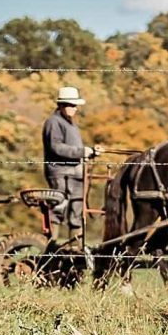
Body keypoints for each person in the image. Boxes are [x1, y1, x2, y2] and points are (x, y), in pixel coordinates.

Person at [41, 86, 96, 241]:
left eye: (75, 105)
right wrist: (81, 152)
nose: (74, 108)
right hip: (60, 173)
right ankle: (50, 249)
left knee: (77, 212)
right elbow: (56, 147)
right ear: (61, 105)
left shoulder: (71, 124)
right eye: (71, 105)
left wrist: (90, 151)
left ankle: (74, 250)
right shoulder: (54, 122)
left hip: (76, 174)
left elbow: (74, 148)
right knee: (58, 209)